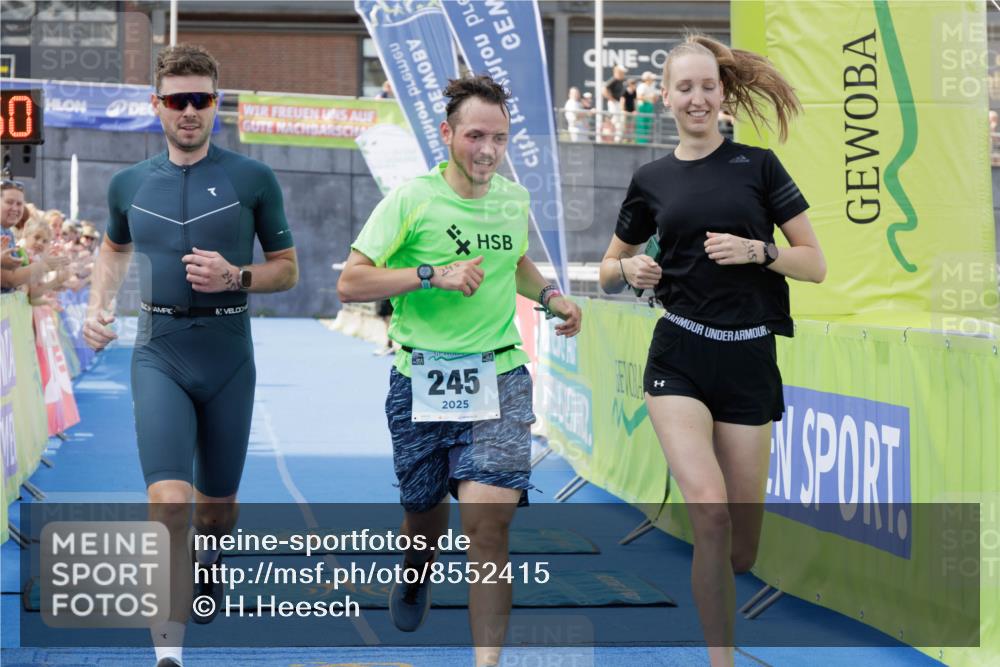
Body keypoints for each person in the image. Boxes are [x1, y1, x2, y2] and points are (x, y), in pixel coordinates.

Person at [338, 74, 581, 667]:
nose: (488, 151)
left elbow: (514, 261)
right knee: (424, 517)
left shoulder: (511, 199)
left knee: (488, 526)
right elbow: (351, 282)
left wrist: (550, 297)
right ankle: (416, 571)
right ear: (447, 134)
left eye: (499, 138)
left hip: (500, 376)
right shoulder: (410, 200)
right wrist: (428, 274)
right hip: (421, 378)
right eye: (475, 136)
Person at [598, 34, 826, 667]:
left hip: (749, 361)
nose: (697, 98)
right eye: (685, 87)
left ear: (722, 93)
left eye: (707, 86)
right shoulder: (651, 178)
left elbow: (815, 264)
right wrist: (635, 268)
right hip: (678, 356)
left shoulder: (759, 166)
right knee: (711, 514)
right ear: (665, 96)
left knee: (741, 550)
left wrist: (759, 252)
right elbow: (608, 269)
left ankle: (715, 597)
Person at [82, 44, 299, 667]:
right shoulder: (128, 184)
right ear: (157, 106)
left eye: (200, 99)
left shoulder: (253, 180)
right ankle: (168, 653)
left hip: (229, 352)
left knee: (218, 504)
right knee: (168, 501)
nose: (188, 111)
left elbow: (287, 272)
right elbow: (112, 250)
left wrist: (237, 277)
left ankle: (212, 558)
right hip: (159, 351)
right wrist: (100, 308)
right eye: (177, 100)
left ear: (216, 104)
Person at [603, 65, 628, 142]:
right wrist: (611, 99)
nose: (623, 73)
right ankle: (612, 139)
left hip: (617, 103)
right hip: (614, 103)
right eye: (622, 72)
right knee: (615, 120)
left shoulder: (620, 80)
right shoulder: (613, 80)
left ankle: (617, 139)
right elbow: (604, 89)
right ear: (618, 72)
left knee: (619, 121)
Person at [635, 72, 659, 144]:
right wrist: (649, 97)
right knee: (642, 125)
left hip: (649, 107)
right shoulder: (642, 86)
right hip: (643, 107)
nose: (652, 80)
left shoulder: (652, 87)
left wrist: (654, 98)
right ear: (647, 79)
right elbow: (639, 97)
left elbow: (655, 98)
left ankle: (646, 141)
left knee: (648, 125)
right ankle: (641, 142)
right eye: (651, 78)